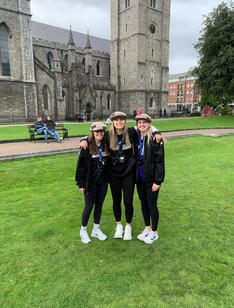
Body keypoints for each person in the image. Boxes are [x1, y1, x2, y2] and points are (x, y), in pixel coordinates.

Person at [80, 111, 163, 241]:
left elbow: (146, 126)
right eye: (116, 120)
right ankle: (119, 225)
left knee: (128, 201)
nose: (119, 122)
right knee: (116, 201)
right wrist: (84, 139)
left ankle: (128, 226)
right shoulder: (108, 135)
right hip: (113, 175)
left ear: (125, 121)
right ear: (112, 122)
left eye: (122, 120)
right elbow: (95, 134)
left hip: (129, 174)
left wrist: (157, 132)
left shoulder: (131, 132)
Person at [75, 122, 110, 244]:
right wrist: (81, 184)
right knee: (89, 206)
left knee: (99, 205)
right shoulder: (86, 146)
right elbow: (80, 167)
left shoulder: (107, 145)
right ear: (93, 133)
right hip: (90, 182)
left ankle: (96, 229)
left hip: (103, 182)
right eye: (96, 132)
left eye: (101, 131)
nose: (99, 134)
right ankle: (83, 230)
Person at [135, 114, 165, 244]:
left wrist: (158, 181)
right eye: (139, 122)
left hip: (151, 180)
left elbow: (160, 161)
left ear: (149, 124)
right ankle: (147, 228)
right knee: (143, 204)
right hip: (140, 179)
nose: (141, 125)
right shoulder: (136, 136)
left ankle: (154, 232)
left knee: (152, 205)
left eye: (144, 122)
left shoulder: (155, 139)